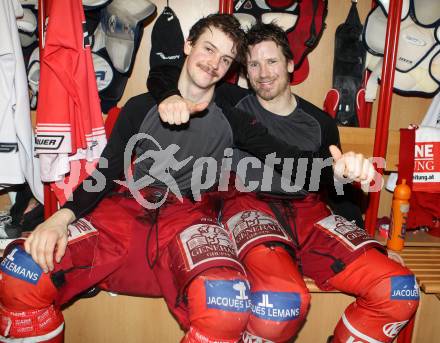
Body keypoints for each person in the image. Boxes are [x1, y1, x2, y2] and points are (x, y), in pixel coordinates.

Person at [0, 14, 364, 343]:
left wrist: (337, 170)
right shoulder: (142, 106)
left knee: (225, 305)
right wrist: (61, 217)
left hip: (187, 217)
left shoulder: (231, 115)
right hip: (125, 211)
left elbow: (284, 155)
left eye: (225, 59)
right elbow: (106, 171)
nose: (213, 64)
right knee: (20, 273)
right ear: (188, 46)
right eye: (208, 49)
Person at [147, 22, 420, 343]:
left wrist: (347, 184)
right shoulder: (228, 102)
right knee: (278, 305)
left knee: (399, 290)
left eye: (272, 61)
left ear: (291, 64)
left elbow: (337, 192)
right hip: (249, 208)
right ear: (244, 73)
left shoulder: (320, 122)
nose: (263, 72)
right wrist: (168, 96)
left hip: (309, 214)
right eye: (253, 64)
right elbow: (167, 71)